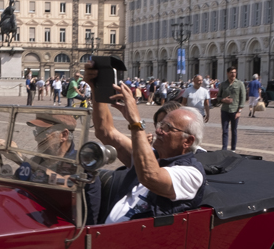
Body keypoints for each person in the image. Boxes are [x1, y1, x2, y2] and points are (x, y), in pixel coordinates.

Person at [87, 69, 205, 224]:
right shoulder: (151, 155)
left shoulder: (191, 173)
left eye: (168, 128)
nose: (158, 130)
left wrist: (135, 121)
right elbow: (105, 131)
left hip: (143, 241)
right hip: (107, 233)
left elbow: (151, 176)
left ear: (187, 141)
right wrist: (97, 88)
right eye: (160, 124)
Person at [215, 67, 246, 151]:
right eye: (231, 72)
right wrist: (223, 99)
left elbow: (243, 98)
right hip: (225, 110)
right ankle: (224, 149)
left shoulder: (240, 84)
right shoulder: (223, 84)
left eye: (235, 72)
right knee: (225, 130)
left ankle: (233, 149)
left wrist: (239, 111)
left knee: (234, 131)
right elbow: (218, 97)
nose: (233, 74)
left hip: (235, 111)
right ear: (227, 73)